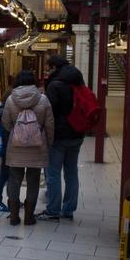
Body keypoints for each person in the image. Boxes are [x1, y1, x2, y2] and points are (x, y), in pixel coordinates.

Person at [2, 70, 55, 225]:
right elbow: (50, 125)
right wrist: (48, 142)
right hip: (37, 147)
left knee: (14, 180)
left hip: (16, 147)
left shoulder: (11, 99)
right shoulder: (43, 99)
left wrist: (16, 131)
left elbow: (5, 123)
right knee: (33, 181)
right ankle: (29, 217)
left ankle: (13, 216)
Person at [37, 54, 86, 221]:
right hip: (77, 133)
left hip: (58, 136)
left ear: (54, 67)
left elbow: (49, 112)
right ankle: (68, 210)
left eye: (48, 67)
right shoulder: (78, 80)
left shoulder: (55, 84)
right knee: (72, 173)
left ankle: (53, 210)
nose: (46, 71)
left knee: (53, 173)